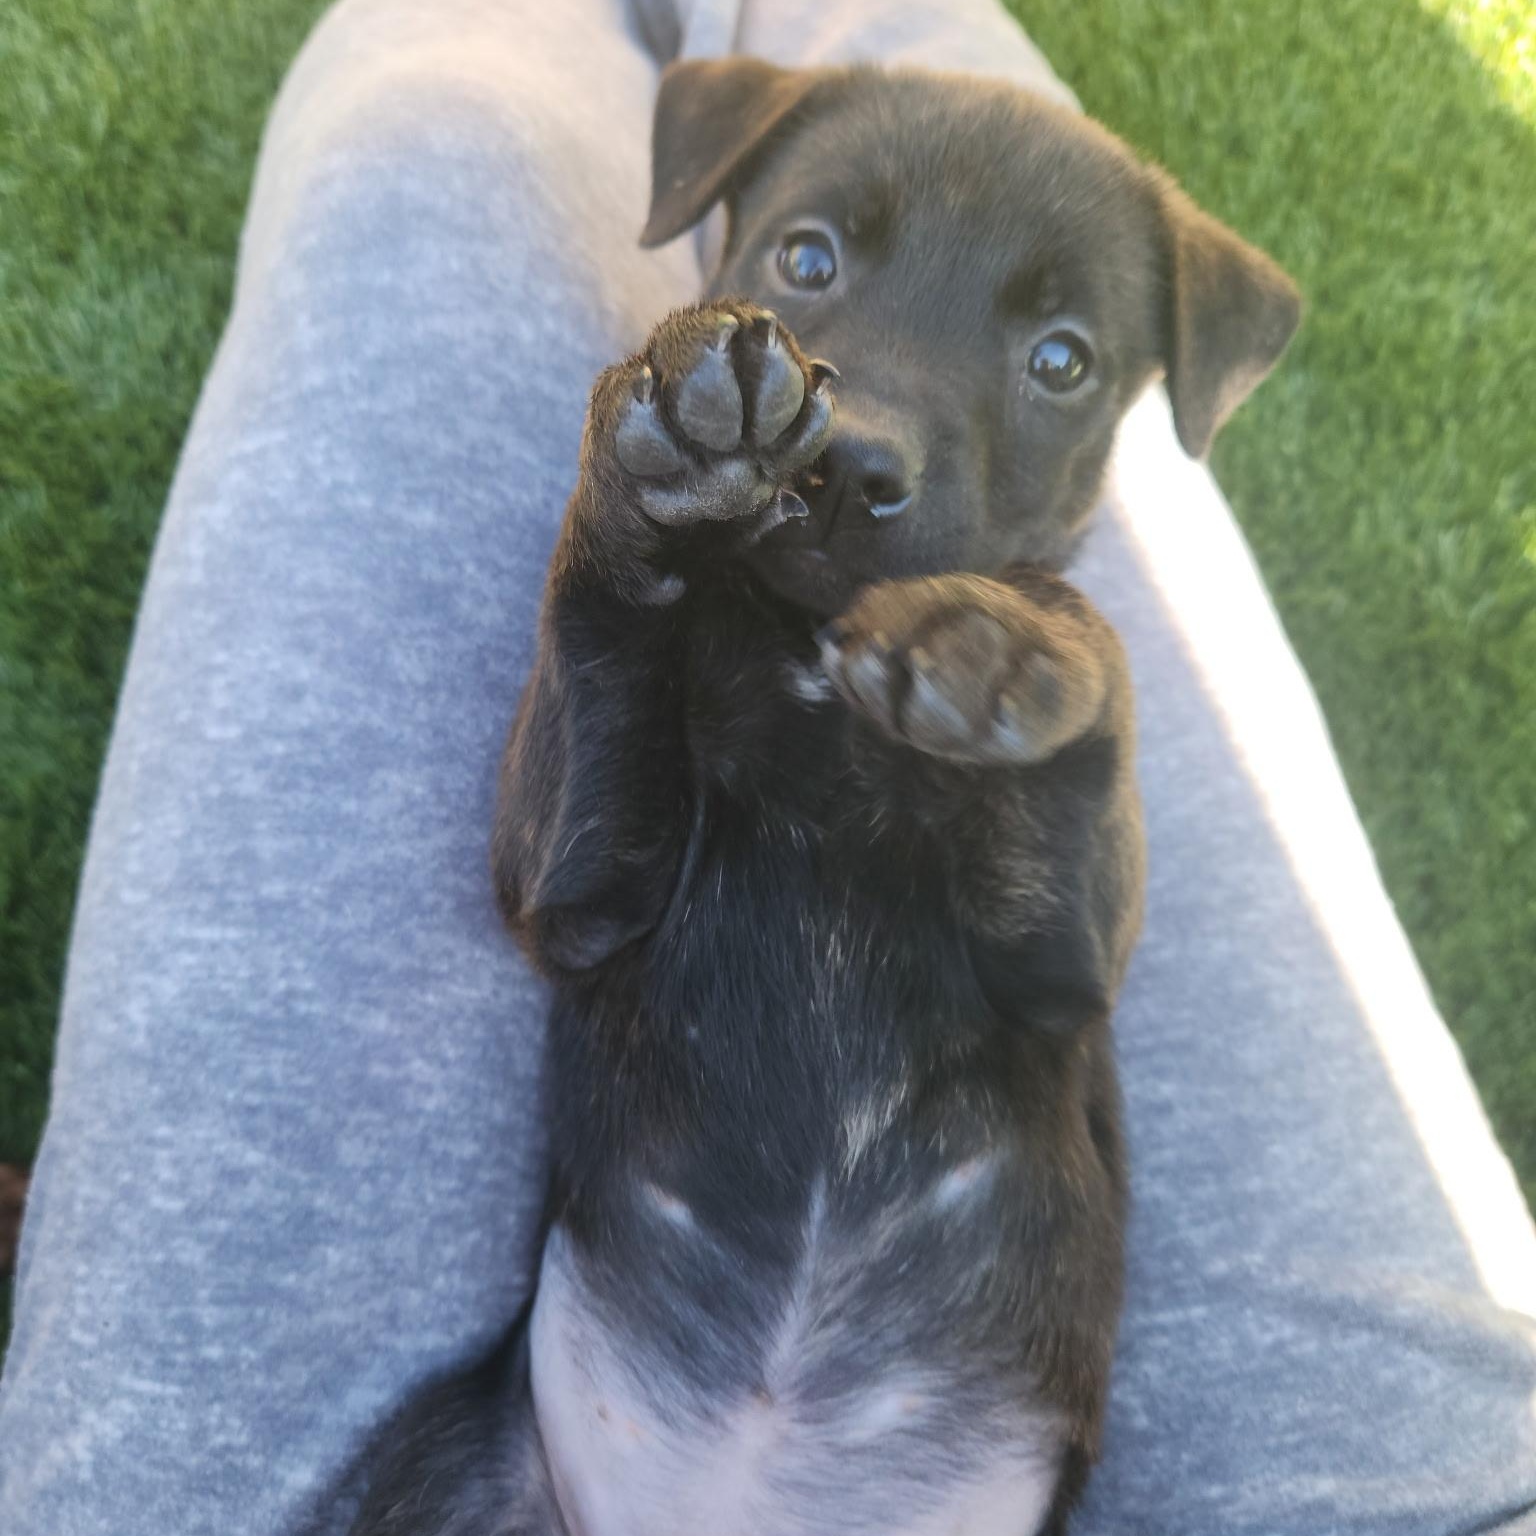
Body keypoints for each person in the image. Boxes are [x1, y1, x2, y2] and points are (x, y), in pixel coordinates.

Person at [2, 1, 1533, 1532]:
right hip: (576, 1436)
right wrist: (639, 570)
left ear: (1166, 387)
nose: (871, 421)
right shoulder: (768, 634)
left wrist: (1030, 704)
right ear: (714, 236)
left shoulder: (1038, 662)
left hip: (622, 1462)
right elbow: (573, 897)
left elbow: (1058, 968)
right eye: (810, 260)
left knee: (425, 129)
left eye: (1058, 357)